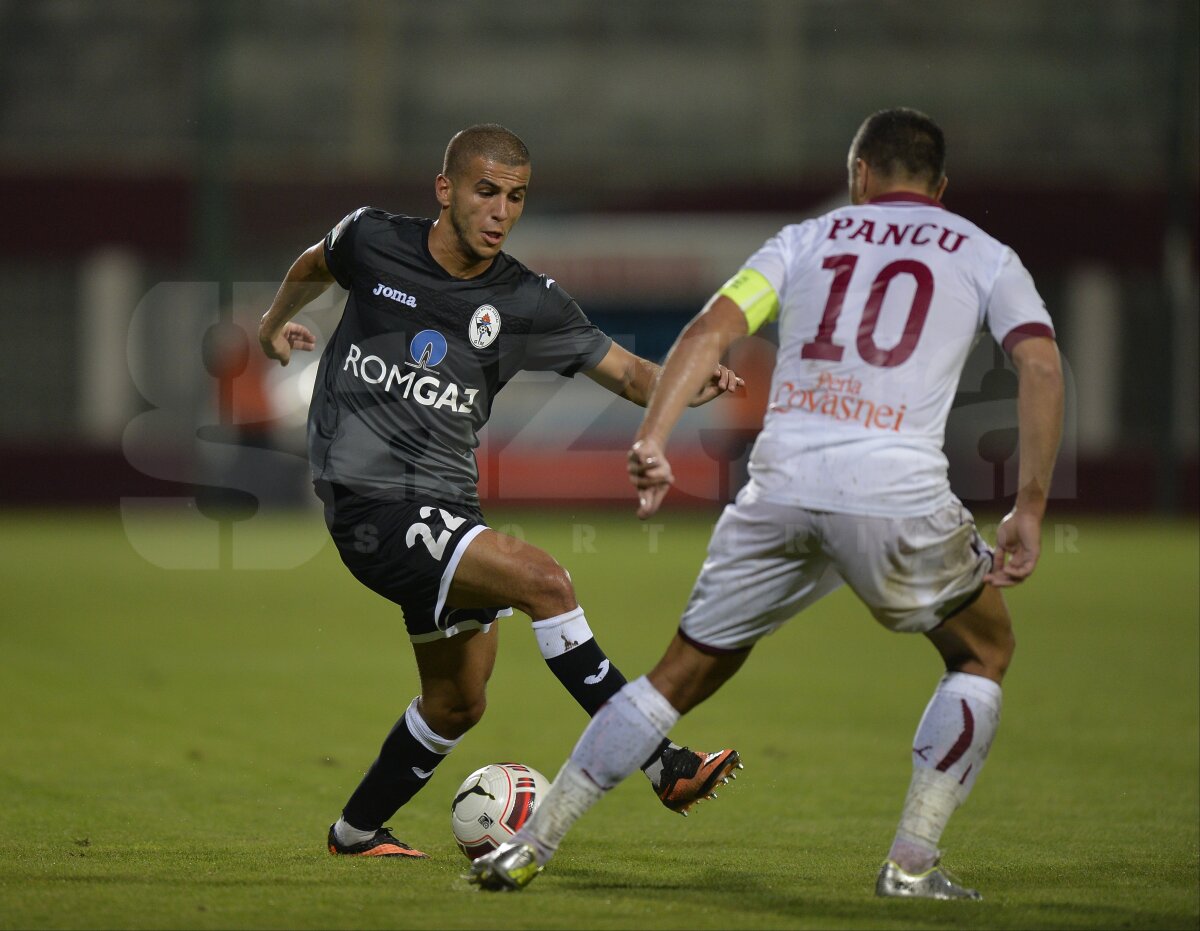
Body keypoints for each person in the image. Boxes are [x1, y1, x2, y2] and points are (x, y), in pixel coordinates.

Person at [469, 107, 1064, 899]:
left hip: (780, 485)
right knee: (983, 651)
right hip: (895, 490)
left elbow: (706, 332)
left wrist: (654, 436)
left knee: (673, 677)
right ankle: (911, 861)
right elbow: (1041, 367)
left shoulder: (805, 240)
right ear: (942, 186)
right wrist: (1029, 504)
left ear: (859, 176)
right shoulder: (987, 255)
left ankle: (530, 845)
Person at [257, 124, 745, 859]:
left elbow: (629, 373)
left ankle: (354, 833)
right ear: (445, 189)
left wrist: (686, 382)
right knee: (546, 582)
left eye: (515, 197)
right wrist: (275, 324)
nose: (500, 211)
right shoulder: (372, 239)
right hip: (369, 502)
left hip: (449, 506)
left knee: (457, 701)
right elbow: (316, 261)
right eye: (486, 191)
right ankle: (661, 762)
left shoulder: (526, 300)